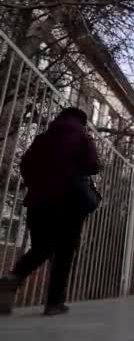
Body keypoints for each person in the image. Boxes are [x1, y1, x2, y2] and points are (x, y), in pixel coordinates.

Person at [0, 107, 100, 316]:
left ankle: (14, 276)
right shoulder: (83, 138)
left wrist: (37, 183)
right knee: (65, 251)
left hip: (39, 202)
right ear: (81, 122)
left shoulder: (42, 139)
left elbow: (25, 164)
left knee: (41, 247)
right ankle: (54, 303)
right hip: (70, 203)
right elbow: (93, 166)